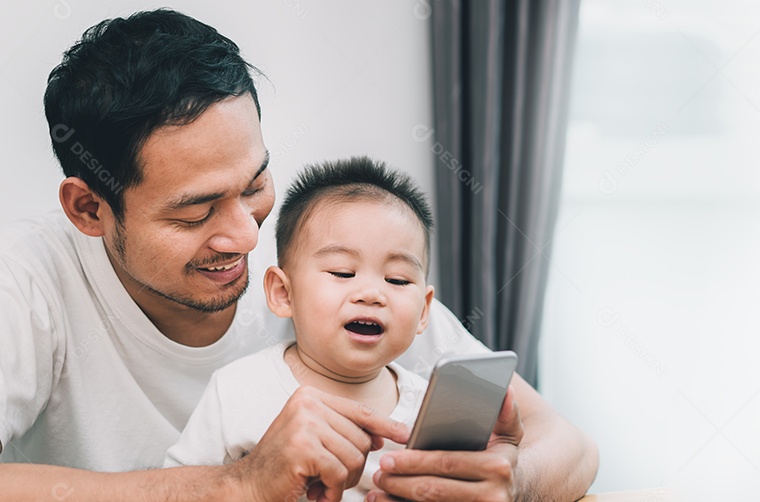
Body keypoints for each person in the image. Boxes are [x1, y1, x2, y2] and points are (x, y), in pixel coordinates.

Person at [0, 8, 597, 502]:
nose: (245, 237)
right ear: (88, 209)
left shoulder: (336, 272)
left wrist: (510, 482)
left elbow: (568, 444)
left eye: (255, 185)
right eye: (195, 212)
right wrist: (235, 483)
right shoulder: (27, 284)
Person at [165, 157, 445, 501]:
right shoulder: (239, 389)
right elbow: (181, 487)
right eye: (343, 273)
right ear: (284, 294)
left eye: (397, 279)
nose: (372, 294)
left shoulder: (432, 411)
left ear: (423, 311)